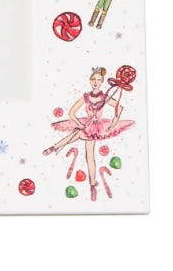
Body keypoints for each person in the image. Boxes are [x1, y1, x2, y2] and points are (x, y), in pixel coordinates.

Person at [42, 67, 134, 200]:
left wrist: (114, 123)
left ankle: (91, 184)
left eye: (98, 80)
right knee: (80, 139)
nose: (96, 82)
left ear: (102, 82)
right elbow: (71, 113)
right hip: (86, 124)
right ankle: (92, 183)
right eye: (93, 80)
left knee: (89, 155)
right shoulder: (86, 97)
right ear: (90, 81)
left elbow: (119, 108)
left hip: (97, 127)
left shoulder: (104, 97)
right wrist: (79, 124)